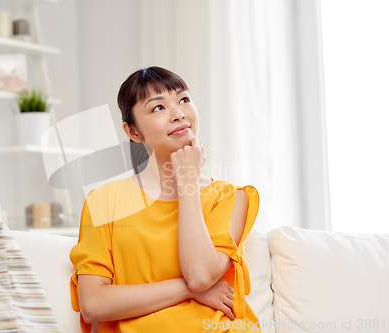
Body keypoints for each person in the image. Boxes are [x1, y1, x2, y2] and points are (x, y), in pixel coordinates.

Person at [69, 66, 262, 333]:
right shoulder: (104, 201)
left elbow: (200, 275)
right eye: (158, 107)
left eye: (183, 99)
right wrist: (189, 291)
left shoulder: (230, 197)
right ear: (133, 132)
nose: (178, 114)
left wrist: (187, 183)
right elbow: (93, 304)